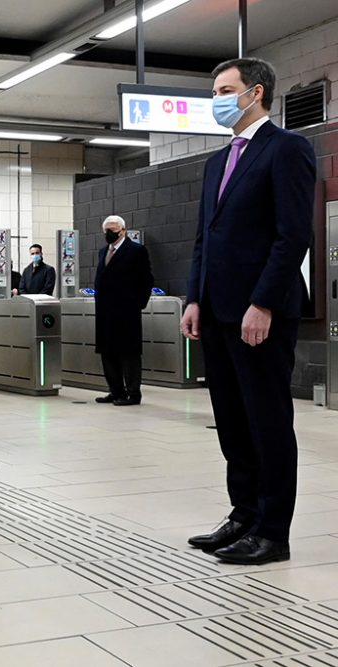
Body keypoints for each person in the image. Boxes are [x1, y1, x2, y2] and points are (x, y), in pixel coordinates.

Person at [182, 58, 315, 566]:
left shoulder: (287, 149)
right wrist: (194, 297)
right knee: (232, 419)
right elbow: (204, 239)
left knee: (267, 420)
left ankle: (272, 530)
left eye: (223, 89)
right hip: (216, 311)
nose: (215, 98)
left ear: (254, 93)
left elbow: (292, 236)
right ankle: (243, 513)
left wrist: (262, 303)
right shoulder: (217, 162)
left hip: (260, 313)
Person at [94, 215, 153, 406]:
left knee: (129, 353)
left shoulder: (136, 251)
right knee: (108, 353)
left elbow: (146, 280)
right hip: (105, 312)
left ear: (123, 231)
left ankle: (133, 393)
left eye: (113, 230)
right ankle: (116, 390)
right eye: (107, 231)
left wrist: (137, 304)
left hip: (127, 311)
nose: (110, 234)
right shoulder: (103, 252)